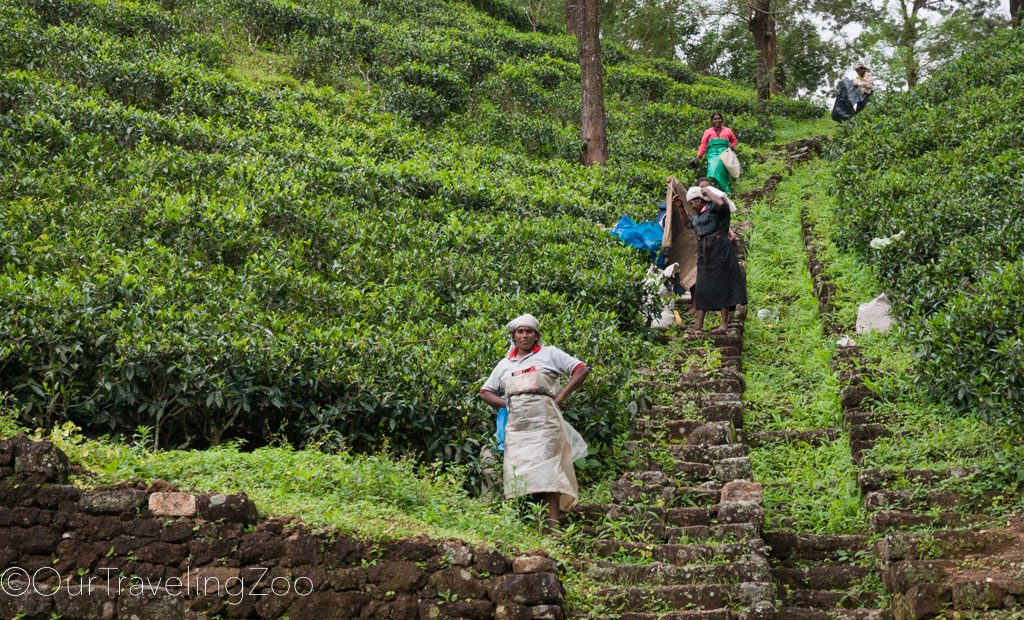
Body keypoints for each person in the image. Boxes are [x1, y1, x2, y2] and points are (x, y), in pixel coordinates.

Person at [479, 314, 590, 532]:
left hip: (545, 423)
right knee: (520, 474)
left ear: (536, 335)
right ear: (514, 336)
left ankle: (554, 528)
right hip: (518, 428)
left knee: (549, 473)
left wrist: (560, 396)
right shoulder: (505, 364)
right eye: (520, 331)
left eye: (529, 331)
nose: (525, 335)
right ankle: (528, 526)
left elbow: (581, 369)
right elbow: (485, 392)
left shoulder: (550, 354)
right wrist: (508, 405)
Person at [685, 186, 747, 333]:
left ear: (699, 200)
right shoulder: (699, 215)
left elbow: (720, 203)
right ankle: (698, 325)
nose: (691, 206)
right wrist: (681, 208)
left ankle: (724, 324)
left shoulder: (717, 209)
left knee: (722, 284)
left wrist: (707, 191)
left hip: (720, 249)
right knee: (702, 285)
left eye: (692, 203)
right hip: (705, 252)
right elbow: (688, 224)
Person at [695, 112, 738, 195]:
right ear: (712, 121)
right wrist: (699, 155)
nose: (717, 120)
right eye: (715, 119)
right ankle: (713, 192)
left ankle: (724, 192)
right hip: (712, 154)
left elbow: (734, 140)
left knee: (722, 172)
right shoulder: (708, 132)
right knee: (712, 171)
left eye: (719, 118)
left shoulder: (727, 130)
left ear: (722, 120)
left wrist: (732, 147)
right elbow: (703, 145)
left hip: (725, 154)